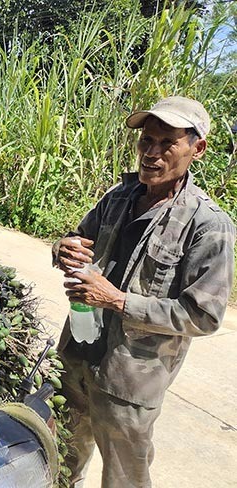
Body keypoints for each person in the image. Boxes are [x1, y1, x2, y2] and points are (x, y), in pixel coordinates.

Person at [52, 96, 235, 487]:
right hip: (77, 357)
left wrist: (115, 299)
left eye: (166, 143)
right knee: (59, 459)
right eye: (145, 141)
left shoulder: (208, 225)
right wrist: (62, 247)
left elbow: (202, 316)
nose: (151, 154)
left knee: (124, 479)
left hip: (129, 380)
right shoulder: (118, 197)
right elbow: (77, 240)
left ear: (196, 148)